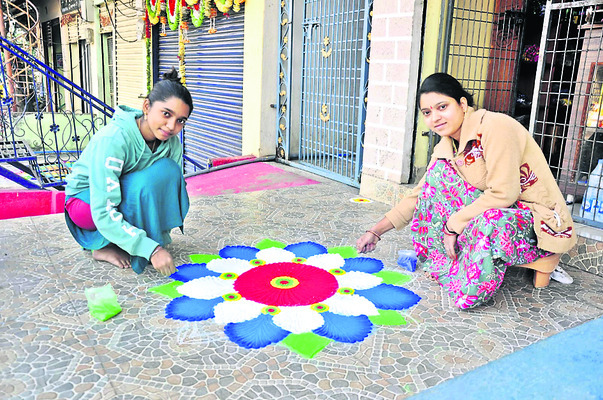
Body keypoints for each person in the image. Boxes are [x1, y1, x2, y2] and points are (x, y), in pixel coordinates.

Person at [356, 73, 577, 309]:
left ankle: (477, 282)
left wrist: (453, 225)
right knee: (438, 175)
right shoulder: (447, 144)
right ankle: (447, 261)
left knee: (492, 219)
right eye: (427, 113)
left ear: (462, 104)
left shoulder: (495, 126)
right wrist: (376, 231)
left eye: (442, 107)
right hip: (503, 209)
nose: (435, 118)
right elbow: (419, 194)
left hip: (535, 220)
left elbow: (504, 194)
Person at [64, 68, 193, 275]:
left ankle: (129, 240)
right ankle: (101, 246)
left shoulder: (171, 143)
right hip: (86, 205)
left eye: (180, 120)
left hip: (120, 193)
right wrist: (151, 249)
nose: (171, 126)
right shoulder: (114, 139)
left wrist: (159, 239)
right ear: (146, 106)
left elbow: (166, 192)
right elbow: (103, 209)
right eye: (166, 114)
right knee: (141, 186)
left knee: (169, 173)